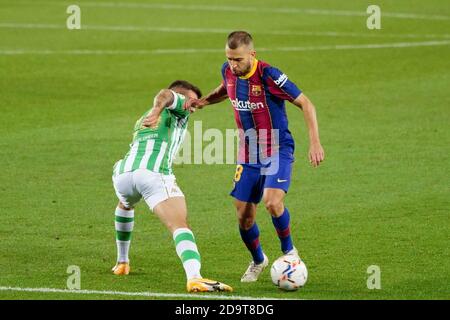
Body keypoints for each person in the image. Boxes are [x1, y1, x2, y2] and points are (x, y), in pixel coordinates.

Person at [183, 31, 325, 282]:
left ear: (252, 54)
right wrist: (204, 101)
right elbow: (226, 89)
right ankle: (259, 260)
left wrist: (315, 142)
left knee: (272, 202)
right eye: (229, 58)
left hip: (277, 148)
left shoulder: (269, 75)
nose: (232, 65)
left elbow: (306, 103)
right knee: (244, 217)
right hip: (248, 152)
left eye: (237, 59)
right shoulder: (228, 71)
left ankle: (290, 252)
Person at [111, 80, 232, 293]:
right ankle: (195, 277)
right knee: (180, 225)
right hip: (153, 174)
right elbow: (165, 94)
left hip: (122, 174)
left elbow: (204, 102)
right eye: (190, 101)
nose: (192, 108)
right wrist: (160, 108)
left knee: (124, 205)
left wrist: (226, 90)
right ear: (181, 97)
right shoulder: (175, 106)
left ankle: (122, 262)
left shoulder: (143, 118)